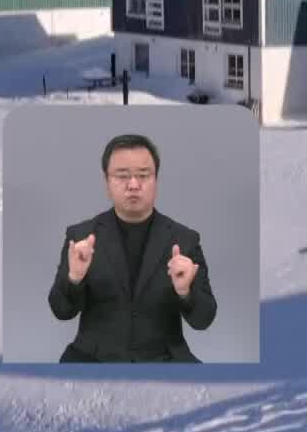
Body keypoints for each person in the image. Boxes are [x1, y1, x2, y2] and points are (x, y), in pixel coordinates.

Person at [47, 133, 217, 361]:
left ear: (156, 179)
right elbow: (61, 311)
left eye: (143, 175)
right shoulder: (80, 238)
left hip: (166, 360)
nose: (133, 185)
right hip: (93, 359)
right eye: (122, 176)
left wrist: (185, 292)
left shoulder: (184, 240)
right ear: (106, 181)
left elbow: (204, 319)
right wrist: (74, 278)